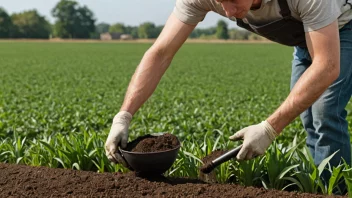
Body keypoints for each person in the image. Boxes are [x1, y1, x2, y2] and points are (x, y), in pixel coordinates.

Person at [105, 0, 352, 186]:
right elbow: (160, 53)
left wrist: (269, 128)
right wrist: (123, 116)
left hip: (344, 26)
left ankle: (339, 190)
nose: (228, 12)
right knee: (308, 117)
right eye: (221, 2)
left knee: (324, 114)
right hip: (305, 36)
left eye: (233, 1)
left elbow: (327, 66)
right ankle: (324, 184)